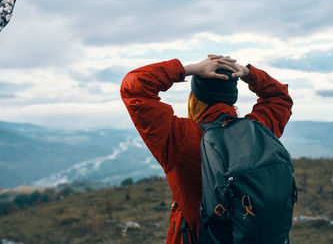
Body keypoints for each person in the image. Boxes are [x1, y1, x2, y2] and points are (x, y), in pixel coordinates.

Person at [120, 55, 293, 244]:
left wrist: (189, 69)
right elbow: (279, 97)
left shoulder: (180, 138)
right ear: (232, 96)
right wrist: (248, 73)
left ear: (194, 98)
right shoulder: (259, 130)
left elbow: (135, 86)